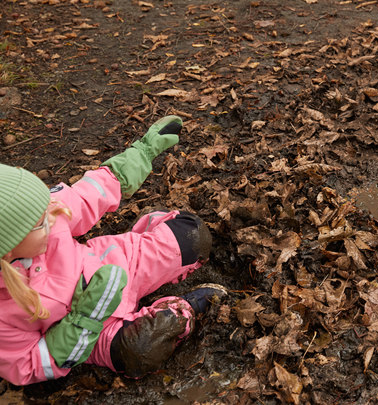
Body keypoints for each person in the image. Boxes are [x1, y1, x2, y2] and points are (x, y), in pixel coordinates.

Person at [0, 115, 228, 385]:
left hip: (116, 262)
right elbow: (29, 364)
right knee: (142, 351)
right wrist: (86, 319)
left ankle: (147, 234)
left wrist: (144, 151)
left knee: (193, 236)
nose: (52, 216)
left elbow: (89, 193)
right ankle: (184, 307)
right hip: (93, 335)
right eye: (40, 224)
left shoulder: (44, 208)